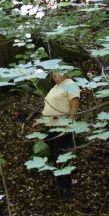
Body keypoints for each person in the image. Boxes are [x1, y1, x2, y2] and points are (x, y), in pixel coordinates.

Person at [41, 70, 81, 200]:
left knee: (61, 158)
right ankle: (61, 188)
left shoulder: (69, 83)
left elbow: (75, 104)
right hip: (50, 127)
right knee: (55, 157)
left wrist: (70, 123)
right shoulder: (54, 88)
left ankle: (67, 190)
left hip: (63, 127)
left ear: (65, 73)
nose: (54, 75)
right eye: (52, 73)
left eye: (57, 72)